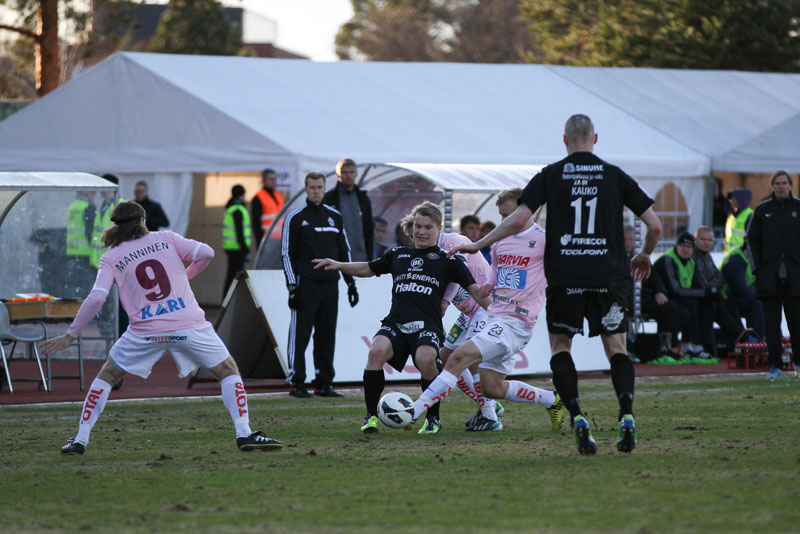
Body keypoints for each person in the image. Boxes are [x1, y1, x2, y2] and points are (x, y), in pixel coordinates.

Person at [451, 114, 662, 455]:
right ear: (596, 139)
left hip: (566, 278)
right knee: (617, 349)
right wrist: (645, 255)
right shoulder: (614, 175)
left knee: (561, 347)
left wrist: (477, 245)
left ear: (564, 140)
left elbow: (519, 219)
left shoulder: (550, 174)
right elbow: (654, 225)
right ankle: (626, 415)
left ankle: (577, 416)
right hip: (608, 276)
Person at [40, 201, 281, 455]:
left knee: (108, 375)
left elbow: (97, 297)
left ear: (115, 226)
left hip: (144, 331)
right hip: (188, 323)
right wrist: (186, 275)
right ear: (143, 221)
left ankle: (80, 439)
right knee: (226, 369)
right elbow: (207, 253)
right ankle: (244, 432)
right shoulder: (166, 238)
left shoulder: (110, 257)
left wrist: (71, 334)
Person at [313, 201, 490, 434]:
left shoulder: (449, 259)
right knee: (376, 351)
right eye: (418, 226)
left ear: (438, 228)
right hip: (396, 322)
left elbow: (474, 289)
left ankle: (433, 419)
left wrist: (499, 309)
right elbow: (368, 268)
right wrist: (338, 265)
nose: (421, 232)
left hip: (427, 325)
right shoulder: (398, 254)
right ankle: (371, 417)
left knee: (427, 359)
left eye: (427, 227)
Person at [411, 190, 565, 433]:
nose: (505, 220)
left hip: (514, 321)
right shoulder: (501, 241)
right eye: (502, 215)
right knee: (491, 387)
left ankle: (413, 412)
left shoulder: (544, 240)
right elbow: (496, 272)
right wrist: (488, 286)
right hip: (488, 314)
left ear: (528, 210)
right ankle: (552, 400)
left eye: (510, 214)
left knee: (457, 359)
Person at [282, 172, 359, 398]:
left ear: (325, 188)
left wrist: (350, 283)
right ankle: (296, 382)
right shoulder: (295, 217)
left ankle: (323, 382)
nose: (316, 191)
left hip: (330, 286)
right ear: (306, 189)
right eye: (312, 187)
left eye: (319, 187)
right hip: (306, 285)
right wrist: (292, 287)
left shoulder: (335, 217)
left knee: (327, 335)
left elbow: (344, 251)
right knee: (300, 334)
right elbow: (287, 254)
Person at [747, 170, 800, 380]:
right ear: (772, 186)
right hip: (768, 278)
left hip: (795, 277)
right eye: (777, 183)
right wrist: (757, 270)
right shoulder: (762, 210)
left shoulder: (798, 208)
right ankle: (775, 366)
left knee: (796, 323)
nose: (780, 186)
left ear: (790, 185)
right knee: (771, 324)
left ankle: (798, 362)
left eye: (784, 183)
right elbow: (751, 242)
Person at [652, 232, 714, 359]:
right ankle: (688, 345)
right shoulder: (668, 259)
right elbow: (675, 290)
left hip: (683, 297)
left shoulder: (691, 261)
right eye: (683, 246)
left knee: (711, 304)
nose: (686, 250)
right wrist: (703, 293)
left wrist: (710, 292)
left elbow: (700, 284)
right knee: (691, 304)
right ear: (677, 246)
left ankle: (700, 344)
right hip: (666, 298)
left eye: (689, 247)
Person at [693, 225, 752, 349]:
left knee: (727, 305)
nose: (707, 243)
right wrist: (712, 287)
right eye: (703, 240)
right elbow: (701, 281)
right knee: (718, 306)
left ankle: (742, 338)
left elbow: (719, 278)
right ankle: (742, 338)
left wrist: (713, 287)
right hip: (698, 297)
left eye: (710, 240)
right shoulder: (693, 256)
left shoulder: (707, 257)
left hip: (709, 295)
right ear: (696, 240)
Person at [323, 158, 374, 262]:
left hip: (361, 257)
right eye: (344, 172)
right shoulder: (330, 198)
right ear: (338, 174)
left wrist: (370, 257)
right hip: (338, 258)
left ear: (356, 173)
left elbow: (369, 229)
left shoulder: (362, 198)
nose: (348, 176)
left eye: (351, 172)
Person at [720, 242, 765, 338]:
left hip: (738, 297)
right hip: (726, 298)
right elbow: (740, 290)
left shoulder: (751, 259)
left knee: (765, 302)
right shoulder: (735, 260)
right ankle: (753, 339)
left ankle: (766, 337)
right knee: (757, 302)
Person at [222, 185, 252, 298]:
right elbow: (240, 232)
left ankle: (227, 299)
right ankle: (230, 299)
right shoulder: (238, 210)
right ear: (241, 195)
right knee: (235, 276)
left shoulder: (230, 208)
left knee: (231, 275)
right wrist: (245, 249)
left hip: (231, 247)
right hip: (238, 248)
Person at [65, 190, 97, 297]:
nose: (94, 195)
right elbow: (90, 231)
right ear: (87, 193)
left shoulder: (72, 206)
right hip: (85, 251)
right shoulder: (88, 207)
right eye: (93, 193)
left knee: (74, 284)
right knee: (85, 285)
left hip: (72, 250)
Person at [251, 168, 285, 249]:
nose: (273, 181)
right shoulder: (258, 198)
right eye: (270, 179)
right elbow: (256, 224)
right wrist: (260, 242)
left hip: (280, 239)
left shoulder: (279, 197)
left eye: (275, 178)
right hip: (266, 240)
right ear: (263, 181)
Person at [725, 188, 753, 252]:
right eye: (730, 199)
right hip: (730, 254)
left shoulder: (749, 216)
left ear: (741, 199)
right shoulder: (731, 217)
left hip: (742, 256)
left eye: (733, 198)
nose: (731, 201)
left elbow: (752, 238)